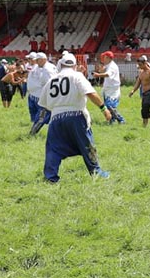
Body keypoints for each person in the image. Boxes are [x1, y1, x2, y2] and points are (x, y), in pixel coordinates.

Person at [40, 53, 111, 183]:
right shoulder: (77, 76)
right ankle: (96, 172)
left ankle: (50, 177)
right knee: (87, 144)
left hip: (56, 118)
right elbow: (90, 93)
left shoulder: (52, 80)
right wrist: (103, 108)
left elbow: (44, 103)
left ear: (60, 65)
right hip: (76, 116)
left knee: (53, 148)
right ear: (75, 66)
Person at [93, 51, 126, 123]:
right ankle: (112, 120)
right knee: (109, 105)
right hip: (108, 88)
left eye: (104, 57)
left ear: (108, 58)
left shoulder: (112, 66)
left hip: (112, 89)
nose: (103, 59)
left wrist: (98, 75)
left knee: (109, 105)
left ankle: (121, 119)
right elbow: (104, 70)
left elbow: (108, 74)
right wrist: (100, 71)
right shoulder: (108, 65)